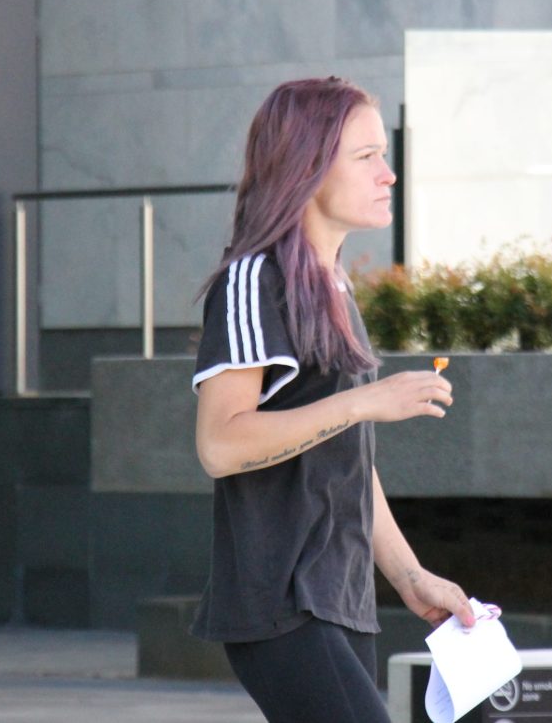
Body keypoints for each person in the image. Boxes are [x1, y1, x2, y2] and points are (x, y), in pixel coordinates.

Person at [190, 76, 475, 722]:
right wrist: (363, 402)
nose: (389, 174)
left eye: (385, 154)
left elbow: (344, 457)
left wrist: (409, 577)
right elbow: (220, 443)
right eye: (367, 156)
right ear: (308, 167)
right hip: (282, 603)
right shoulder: (251, 280)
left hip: (339, 598)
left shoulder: (333, 285)